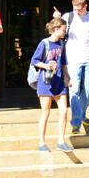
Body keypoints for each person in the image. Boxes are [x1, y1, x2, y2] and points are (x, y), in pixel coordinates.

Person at [59, 0, 89, 134]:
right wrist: (56, 18)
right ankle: (76, 122)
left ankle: (82, 115)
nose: (77, 12)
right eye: (74, 8)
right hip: (72, 59)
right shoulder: (68, 17)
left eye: (79, 9)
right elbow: (56, 30)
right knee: (74, 89)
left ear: (85, 6)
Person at [31, 17, 70, 153]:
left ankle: (61, 141)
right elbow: (34, 61)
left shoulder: (61, 43)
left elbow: (63, 62)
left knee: (64, 111)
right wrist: (47, 66)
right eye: (63, 30)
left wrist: (68, 77)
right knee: (45, 112)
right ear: (56, 29)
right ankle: (42, 142)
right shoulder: (44, 43)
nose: (65, 32)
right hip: (46, 82)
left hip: (59, 81)